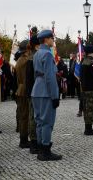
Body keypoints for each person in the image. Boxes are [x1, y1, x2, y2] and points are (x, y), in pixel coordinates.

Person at [31, 30, 62, 161]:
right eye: (51, 38)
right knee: (47, 122)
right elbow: (50, 78)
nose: (53, 40)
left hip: (36, 91)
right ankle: (45, 151)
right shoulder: (48, 55)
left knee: (39, 121)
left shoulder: (37, 54)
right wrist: (55, 96)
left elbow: (35, 74)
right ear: (46, 40)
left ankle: (40, 148)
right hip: (45, 92)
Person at [80, 45, 93, 135]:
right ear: (92, 52)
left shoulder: (83, 60)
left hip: (84, 88)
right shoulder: (91, 62)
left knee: (86, 108)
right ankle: (88, 129)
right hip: (90, 88)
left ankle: (87, 128)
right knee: (91, 109)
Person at [25, 35, 40, 154]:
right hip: (34, 92)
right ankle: (34, 143)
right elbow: (30, 78)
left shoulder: (31, 57)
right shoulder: (33, 58)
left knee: (34, 116)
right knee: (33, 117)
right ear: (37, 45)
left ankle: (34, 142)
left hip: (33, 91)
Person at [15, 40, 30, 148]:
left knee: (23, 115)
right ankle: (23, 140)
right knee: (25, 116)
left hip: (20, 88)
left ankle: (23, 139)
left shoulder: (20, 59)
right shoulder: (25, 61)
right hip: (25, 89)